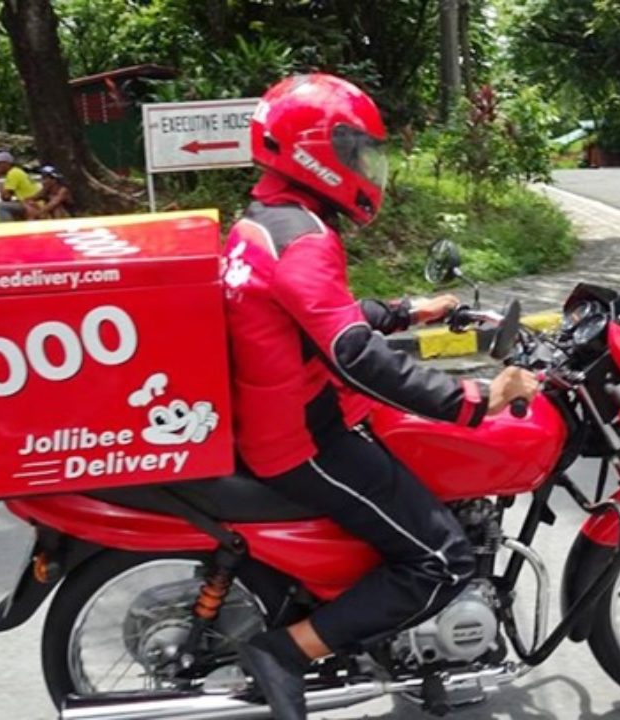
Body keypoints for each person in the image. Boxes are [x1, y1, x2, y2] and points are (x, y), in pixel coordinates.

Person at [224, 74, 541, 720]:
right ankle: (286, 651)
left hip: (283, 415)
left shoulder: (268, 220)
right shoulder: (304, 238)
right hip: (302, 440)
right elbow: (351, 354)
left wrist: (402, 310)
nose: (365, 167)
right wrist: (478, 397)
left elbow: (315, 316)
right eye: (355, 152)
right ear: (316, 151)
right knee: (441, 557)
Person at [0, 150, 41, 221]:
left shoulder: (13, 173)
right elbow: (8, 197)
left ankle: (9, 229)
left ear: (6, 163)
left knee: (1, 207)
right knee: (11, 205)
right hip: (30, 202)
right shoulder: (16, 171)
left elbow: (6, 197)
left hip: (33, 204)